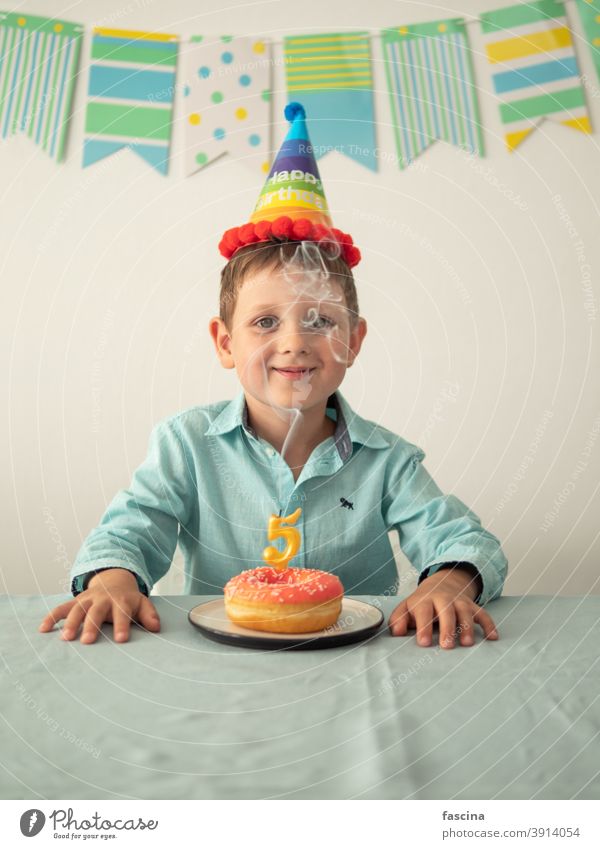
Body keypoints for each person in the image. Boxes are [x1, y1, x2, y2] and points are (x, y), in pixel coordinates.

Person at [39, 103, 507, 649]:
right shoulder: (185, 445)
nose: (294, 342)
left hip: (357, 663)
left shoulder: (388, 461)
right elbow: (133, 526)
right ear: (224, 343)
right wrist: (113, 578)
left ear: (352, 342)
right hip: (219, 662)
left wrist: (450, 580)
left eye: (321, 321)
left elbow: (463, 537)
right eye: (265, 322)